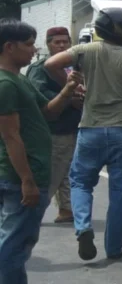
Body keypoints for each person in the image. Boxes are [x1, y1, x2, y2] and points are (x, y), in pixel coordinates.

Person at [43, 8, 122, 262]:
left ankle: (83, 228)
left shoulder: (86, 51)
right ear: (117, 29)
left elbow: (51, 64)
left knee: (81, 183)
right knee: (119, 191)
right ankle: (113, 248)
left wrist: (71, 85)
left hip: (90, 130)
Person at [0, 20, 80, 284]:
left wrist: (69, 88)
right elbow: (11, 136)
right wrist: (27, 181)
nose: (35, 50)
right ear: (10, 47)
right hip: (19, 176)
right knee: (16, 241)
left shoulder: (19, 80)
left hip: (29, 173)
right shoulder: (6, 84)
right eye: (29, 44)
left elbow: (48, 112)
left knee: (14, 237)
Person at [24, 27, 83, 224]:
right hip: (53, 130)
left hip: (73, 127)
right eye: (57, 42)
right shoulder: (40, 69)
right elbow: (38, 99)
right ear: (48, 44)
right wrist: (68, 100)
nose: (61, 45)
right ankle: (34, 211)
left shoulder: (74, 66)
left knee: (68, 171)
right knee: (52, 174)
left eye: (65, 41)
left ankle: (66, 209)